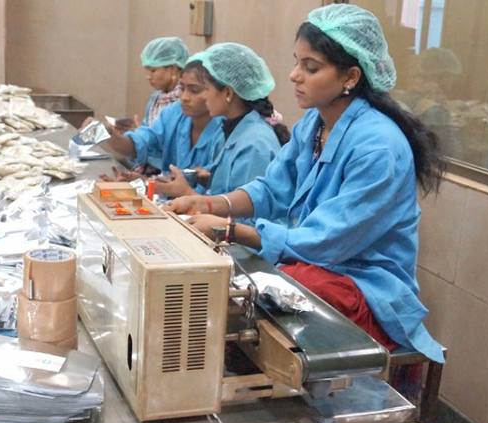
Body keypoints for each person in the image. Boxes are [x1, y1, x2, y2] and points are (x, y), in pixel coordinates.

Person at [169, 5, 445, 365]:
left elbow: (329, 240)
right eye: (296, 63)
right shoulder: (313, 126)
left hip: (364, 287)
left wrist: (231, 230)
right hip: (316, 266)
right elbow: (272, 188)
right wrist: (209, 204)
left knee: (265, 292)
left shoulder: (378, 147)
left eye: (310, 68)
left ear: (350, 77)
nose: (294, 75)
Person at [157, 43, 288, 198]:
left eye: (205, 89)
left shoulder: (255, 145)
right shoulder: (230, 131)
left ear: (227, 93)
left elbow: (247, 211)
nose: (204, 97)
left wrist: (187, 193)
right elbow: (227, 190)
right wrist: (209, 179)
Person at [99, 63, 225, 195]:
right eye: (182, 89)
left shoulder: (225, 131)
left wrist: (151, 185)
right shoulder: (174, 113)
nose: (184, 97)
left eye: (194, 90)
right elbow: (142, 142)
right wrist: (109, 134)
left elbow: (216, 194)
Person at [140, 37, 189, 127]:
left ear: (173, 69)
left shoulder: (187, 101)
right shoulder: (155, 99)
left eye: (153, 70)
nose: (148, 77)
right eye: (147, 71)